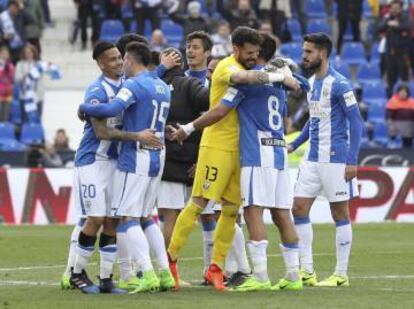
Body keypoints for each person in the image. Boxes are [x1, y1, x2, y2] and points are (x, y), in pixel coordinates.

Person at [167, 26, 299, 291]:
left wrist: (285, 75)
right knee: (198, 204)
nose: (252, 56)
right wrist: (281, 75)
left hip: (243, 150)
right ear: (236, 49)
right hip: (216, 146)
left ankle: (216, 268)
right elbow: (229, 96)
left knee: (230, 210)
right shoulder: (227, 68)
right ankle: (169, 263)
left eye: (256, 53)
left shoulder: (251, 72)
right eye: (248, 52)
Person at [78, 42, 175, 293]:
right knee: (102, 218)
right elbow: (100, 132)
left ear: (129, 60)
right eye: (112, 59)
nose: (119, 63)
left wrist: (83, 108)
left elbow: (112, 109)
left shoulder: (129, 85)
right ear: (100, 63)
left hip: (130, 158)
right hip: (96, 159)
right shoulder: (98, 88)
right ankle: (76, 273)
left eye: (120, 58)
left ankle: (116, 278)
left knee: (122, 218)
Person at [220, 33, 306, 292]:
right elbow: (303, 86)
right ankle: (293, 275)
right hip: (279, 153)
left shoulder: (249, 82)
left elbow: (220, 110)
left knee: (253, 210)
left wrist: (190, 127)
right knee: (282, 214)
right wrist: (287, 71)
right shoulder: (282, 83)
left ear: (257, 53)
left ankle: (259, 275)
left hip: (257, 153)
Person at [289, 32, 364, 287]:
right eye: (304, 50)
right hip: (311, 159)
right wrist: (295, 144)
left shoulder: (341, 84)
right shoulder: (312, 83)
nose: (304, 56)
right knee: (298, 208)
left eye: (309, 51)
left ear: (323, 53)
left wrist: (352, 161)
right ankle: (307, 271)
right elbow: (314, 120)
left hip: (336, 158)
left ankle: (341, 274)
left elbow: (357, 122)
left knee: (339, 212)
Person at [377, 0, 411, 98]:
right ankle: (390, 99)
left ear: (400, 8)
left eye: (397, 8)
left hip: (403, 54)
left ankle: (406, 101)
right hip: (390, 53)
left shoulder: (406, 17)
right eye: (393, 8)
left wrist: (396, 26)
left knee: (404, 79)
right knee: (391, 79)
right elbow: (379, 28)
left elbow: (407, 26)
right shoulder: (388, 17)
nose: (395, 10)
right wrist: (389, 24)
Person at [15, 44, 44, 117]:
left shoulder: (38, 64)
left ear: (33, 53)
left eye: (30, 52)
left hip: (37, 94)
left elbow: (40, 76)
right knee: (24, 116)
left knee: (37, 115)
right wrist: (25, 76)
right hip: (24, 94)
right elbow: (17, 77)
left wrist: (31, 75)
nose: (28, 54)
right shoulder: (20, 64)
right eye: (26, 52)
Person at [386, 84, 414, 148]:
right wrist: (392, 127)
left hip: (409, 129)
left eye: (405, 92)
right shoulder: (393, 102)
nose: (403, 93)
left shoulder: (412, 102)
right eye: (401, 92)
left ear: (407, 93)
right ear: (398, 92)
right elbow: (389, 118)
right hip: (396, 128)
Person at [0, 45, 15, 122]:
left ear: (8, 55)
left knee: (5, 115)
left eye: (6, 54)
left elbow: (12, 79)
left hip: (8, 93)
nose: (4, 55)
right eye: (3, 53)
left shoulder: (10, 65)